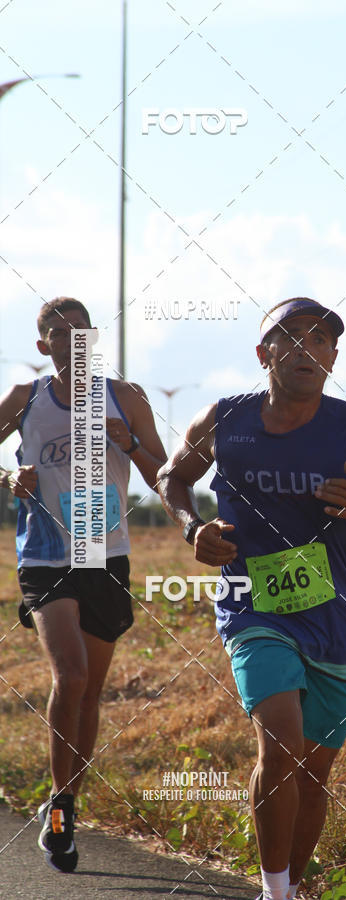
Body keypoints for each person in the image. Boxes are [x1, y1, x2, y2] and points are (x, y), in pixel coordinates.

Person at [157, 297, 346, 900]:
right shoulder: (227, 420)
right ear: (263, 353)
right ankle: (273, 892)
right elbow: (173, 476)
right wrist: (192, 528)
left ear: (332, 357)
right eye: (292, 337)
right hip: (254, 608)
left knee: (313, 771)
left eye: (321, 339)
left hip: (331, 617)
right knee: (280, 743)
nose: (308, 348)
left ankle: (293, 886)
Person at [0, 297, 166, 872]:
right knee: (68, 675)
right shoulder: (27, 400)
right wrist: (8, 474)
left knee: (91, 691)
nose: (72, 340)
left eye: (82, 331)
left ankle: (65, 800)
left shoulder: (129, 397)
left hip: (105, 550)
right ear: (42, 344)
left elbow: (164, 472)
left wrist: (130, 443)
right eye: (58, 332)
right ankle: (59, 810)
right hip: (45, 555)